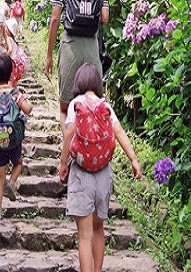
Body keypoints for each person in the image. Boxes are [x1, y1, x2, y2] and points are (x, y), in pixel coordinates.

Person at [58, 63, 142, 272]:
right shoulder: (106, 107)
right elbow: (120, 132)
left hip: (81, 174)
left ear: (78, 83)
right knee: (98, 228)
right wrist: (133, 159)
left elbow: (69, 134)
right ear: (97, 84)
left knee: (84, 236)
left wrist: (62, 163)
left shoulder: (76, 104)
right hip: (103, 174)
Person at [45, 0, 109, 138]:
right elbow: (106, 18)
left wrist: (49, 56)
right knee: (94, 105)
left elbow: (55, 18)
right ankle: (91, 149)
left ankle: (68, 154)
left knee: (65, 107)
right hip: (91, 46)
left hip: (70, 45)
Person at [0, 54, 33, 220]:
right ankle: (12, 182)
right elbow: (28, 109)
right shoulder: (15, 94)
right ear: (11, 73)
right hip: (14, 141)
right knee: (18, 164)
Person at [4, 18, 26, 87]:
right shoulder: (14, 41)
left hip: (11, 64)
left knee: (9, 83)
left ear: (8, 29)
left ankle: (9, 97)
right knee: (14, 85)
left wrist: (5, 58)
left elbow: (10, 50)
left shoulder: (8, 39)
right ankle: (15, 97)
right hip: (16, 64)